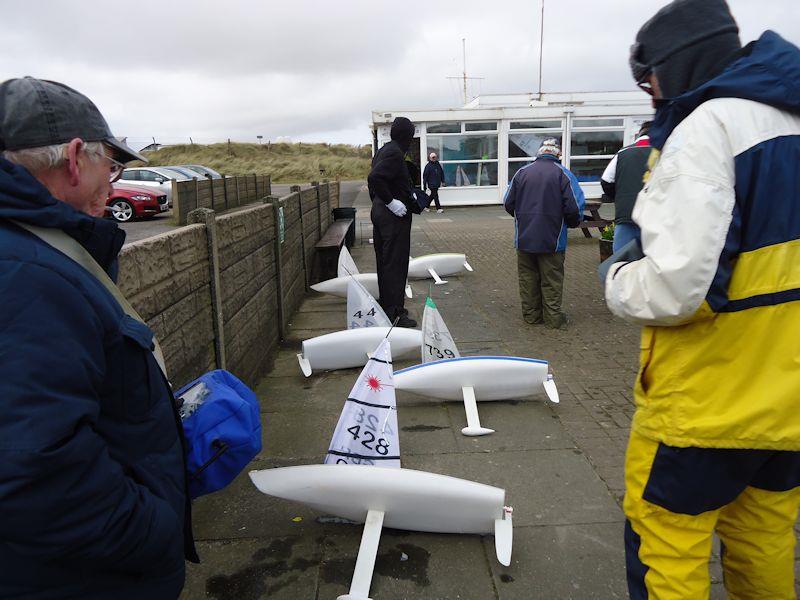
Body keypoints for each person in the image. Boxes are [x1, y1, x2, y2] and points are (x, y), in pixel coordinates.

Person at [604, 1, 800, 597]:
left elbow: (678, 288)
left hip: (705, 406)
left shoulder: (707, 128)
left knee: (667, 545)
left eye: (650, 78)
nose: (650, 93)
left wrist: (616, 277)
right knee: (765, 543)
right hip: (788, 404)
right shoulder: (790, 120)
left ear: (679, 63)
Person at [0, 77, 197, 598]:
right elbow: (35, 471)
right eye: (110, 166)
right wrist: (155, 528)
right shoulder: (26, 275)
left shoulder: (32, 249)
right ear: (72, 159)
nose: (113, 182)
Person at [503, 138, 583, 329]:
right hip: (552, 239)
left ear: (539, 154)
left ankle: (531, 316)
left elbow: (508, 202)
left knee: (528, 278)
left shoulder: (521, 173)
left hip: (524, 238)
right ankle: (553, 318)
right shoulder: (564, 174)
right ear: (558, 154)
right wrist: (571, 223)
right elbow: (574, 207)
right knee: (552, 279)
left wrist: (522, 218)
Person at [368, 116, 417, 328]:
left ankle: (387, 306)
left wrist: (379, 202)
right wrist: (391, 202)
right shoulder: (395, 153)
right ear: (407, 135)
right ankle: (396, 314)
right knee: (395, 265)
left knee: (385, 263)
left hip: (380, 214)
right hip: (392, 218)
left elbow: (375, 181)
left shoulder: (383, 150)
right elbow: (375, 178)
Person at [600, 121, 652, 252]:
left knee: (622, 262)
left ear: (639, 134)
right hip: (655, 217)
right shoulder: (666, 153)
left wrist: (618, 197)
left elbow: (606, 181)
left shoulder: (622, 153)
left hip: (626, 216)